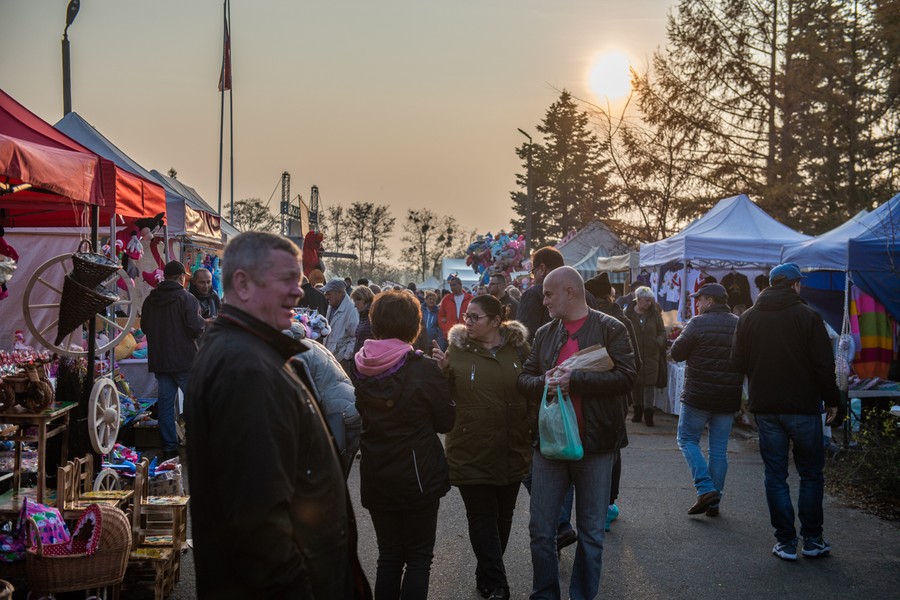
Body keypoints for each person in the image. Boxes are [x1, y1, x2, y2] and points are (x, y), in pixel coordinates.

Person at [185, 232, 370, 598]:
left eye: (298, 280)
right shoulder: (246, 370)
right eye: (286, 279)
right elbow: (260, 530)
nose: (299, 291)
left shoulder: (251, 352)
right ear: (242, 283)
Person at [517, 267, 636, 600]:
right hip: (550, 444)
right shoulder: (544, 333)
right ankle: (545, 594)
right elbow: (524, 380)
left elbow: (628, 377)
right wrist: (546, 382)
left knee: (592, 533)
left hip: (596, 445)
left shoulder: (611, 327)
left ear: (570, 292)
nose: (543, 300)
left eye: (548, 294)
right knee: (541, 531)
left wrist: (576, 380)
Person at [732, 263, 843, 561]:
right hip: (803, 408)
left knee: (776, 475)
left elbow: (737, 364)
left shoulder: (748, 318)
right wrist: (834, 400)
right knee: (809, 474)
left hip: (766, 408)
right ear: (795, 285)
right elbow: (823, 366)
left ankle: (784, 542)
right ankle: (812, 539)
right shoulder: (808, 316)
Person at [351, 290, 456, 599]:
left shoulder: (360, 365)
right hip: (418, 473)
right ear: (415, 325)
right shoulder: (423, 369)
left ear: (375, 323)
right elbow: (446, 422)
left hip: (377, 471)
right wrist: (444, 378)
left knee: (390, 556)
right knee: (419, 558)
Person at [432, 295, 532, 600]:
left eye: (475, 317)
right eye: (466, 316)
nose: (467, 322)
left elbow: (531, 385)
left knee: (503, 516)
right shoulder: (457, 350)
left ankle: (486, 574)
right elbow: (443, 400)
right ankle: (499, 583)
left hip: (512, 445)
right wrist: (443, 372)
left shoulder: (518, 348)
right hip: (471, 447)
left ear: (495, 321)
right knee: (482, 516)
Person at [670, 283, 743, 517]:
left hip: (698, 395)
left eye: (699, 300)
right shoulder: (738, 323)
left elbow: (677, 353)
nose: (697, 304)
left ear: (710, 301)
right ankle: (714, 501)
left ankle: (705, 488)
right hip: (728, 396)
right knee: (719, 450)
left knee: (687, 439)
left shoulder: (697, 323)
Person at [140, 260, 204, 459]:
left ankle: (169, 447)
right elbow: (195, 327)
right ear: (181, 277)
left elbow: (144, 327)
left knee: (166, 406)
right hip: (185, 360)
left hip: (161, 360)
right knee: (194, 404)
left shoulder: (150, 300)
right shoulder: (187, 299)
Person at [624, 286, 666, 426]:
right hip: (634, 355)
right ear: (639, 299)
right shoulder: (627, 314)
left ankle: (649, 415)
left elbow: (662, 331)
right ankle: (637, 411)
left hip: (651, 355)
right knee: (636, 384)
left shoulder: (654, 314)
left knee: (649, 385)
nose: (650, 303)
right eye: (647, 300)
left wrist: (658, 343)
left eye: (651, 300)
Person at [517, 247, 565, 344]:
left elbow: (525, 338)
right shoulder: (584, 293)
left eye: (533, 272)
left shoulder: (533, 294)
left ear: (542, 269)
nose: (533, 278)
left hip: (544, 357)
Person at [323, 278, 360, 371]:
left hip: (341, 362)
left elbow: (355, 336)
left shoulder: (351, 310)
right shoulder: (331, 305)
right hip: (329, 358)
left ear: (339, 293)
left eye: (329, 293)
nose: (326, 297)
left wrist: (346, 357)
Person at [351, 284, 375, 353]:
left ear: (362, 299)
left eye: (356, 302)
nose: (355, 305)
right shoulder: (363, 315)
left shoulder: (373, 315)